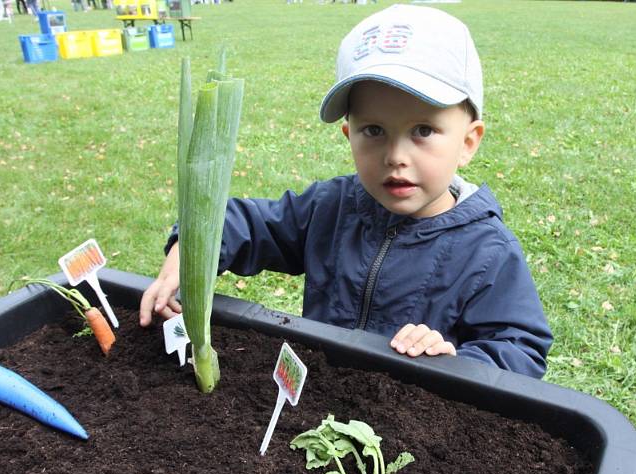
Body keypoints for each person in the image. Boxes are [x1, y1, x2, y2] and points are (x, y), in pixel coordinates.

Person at [139, 4, 553, 378]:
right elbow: (246, 223)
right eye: (374, 130)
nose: (396, 156)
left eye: (423, 131)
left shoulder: (487, 250)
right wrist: (189, 252)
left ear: (468, 142)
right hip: (318, 403)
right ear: (347, 134)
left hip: (406, 427)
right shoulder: (331, 207)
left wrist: (456, 362)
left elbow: (520, 349)